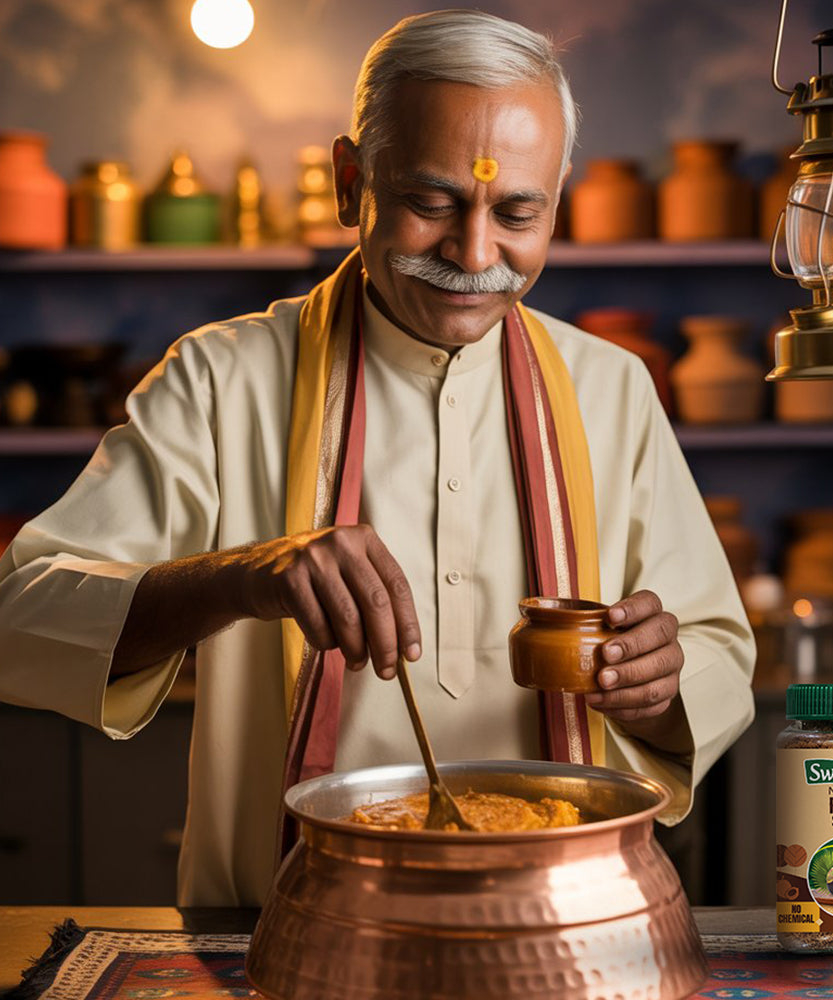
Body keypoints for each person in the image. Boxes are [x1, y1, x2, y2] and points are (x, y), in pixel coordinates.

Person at [0, 9, 754, 905]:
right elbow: (19, 621)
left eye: (518, 211)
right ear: (350, 182)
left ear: (557, 201)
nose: (476, 256)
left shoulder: (612, 389)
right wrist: (243, 579)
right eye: (431, 204)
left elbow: (714, 660)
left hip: (557, 926)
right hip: (280, 929)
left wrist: (655, 684)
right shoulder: (219, 379)